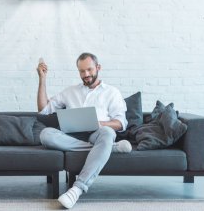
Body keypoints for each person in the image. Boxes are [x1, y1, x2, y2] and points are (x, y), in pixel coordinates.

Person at [36, 52, 132, 209]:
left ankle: (77, 188)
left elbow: (121, 123)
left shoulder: (112, 92)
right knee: (45, 134)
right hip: (73, 136)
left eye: (89, 70)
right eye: (82, 71)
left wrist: (98, 123)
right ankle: (108, 149)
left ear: (98, 67)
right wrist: (42, 79)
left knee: (108, 133)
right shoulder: (70, 91)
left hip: (98, 134)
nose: (86, 74)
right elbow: (43, 110)